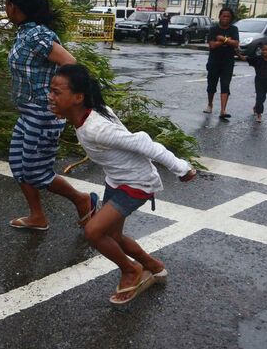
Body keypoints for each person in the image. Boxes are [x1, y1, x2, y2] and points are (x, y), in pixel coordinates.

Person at [48, 64, 197, 305]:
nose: (50, 96)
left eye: (56, 92)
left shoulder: (97, 129)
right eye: (51, 91)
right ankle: (153, 266)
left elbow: (143, 143)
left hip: (136, 183)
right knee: (112, 236)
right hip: (117, 180)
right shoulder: (88, 114)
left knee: (94, 231)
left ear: (78, 98)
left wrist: (182, 168)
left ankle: (130, 270)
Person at [5, 0, 99, 231]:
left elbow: (70, 62)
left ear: (13, 6)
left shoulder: (38, 35)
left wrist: (59, 98)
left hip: (43, 114)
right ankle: (37, 216)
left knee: (37, 172)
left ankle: (83, 201)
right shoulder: (26, 32)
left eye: (6, 3)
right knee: (18, 164)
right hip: (27, 113)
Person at [204, 7, 240, 119]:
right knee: (211, 84)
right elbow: (212, 45)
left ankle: (223, 110)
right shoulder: (214, 29)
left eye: (228, 17)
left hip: (228, 61)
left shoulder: (234, 29)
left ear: (231, 18)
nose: (225, 18)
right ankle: (210, 104)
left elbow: (236, 44)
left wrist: (222, 39)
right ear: (219, 16)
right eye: (223, 16)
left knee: (225, 85)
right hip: (214, 60)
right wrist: (227, 40)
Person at [238, 43, 267, 123]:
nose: (264, 51)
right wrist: (238, 52)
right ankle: (259, 114)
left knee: (263, 97)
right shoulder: (257, 59)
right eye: (263, 50)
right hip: (258, 81)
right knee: (259, 97)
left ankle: (256, 107)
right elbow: (244, 58)